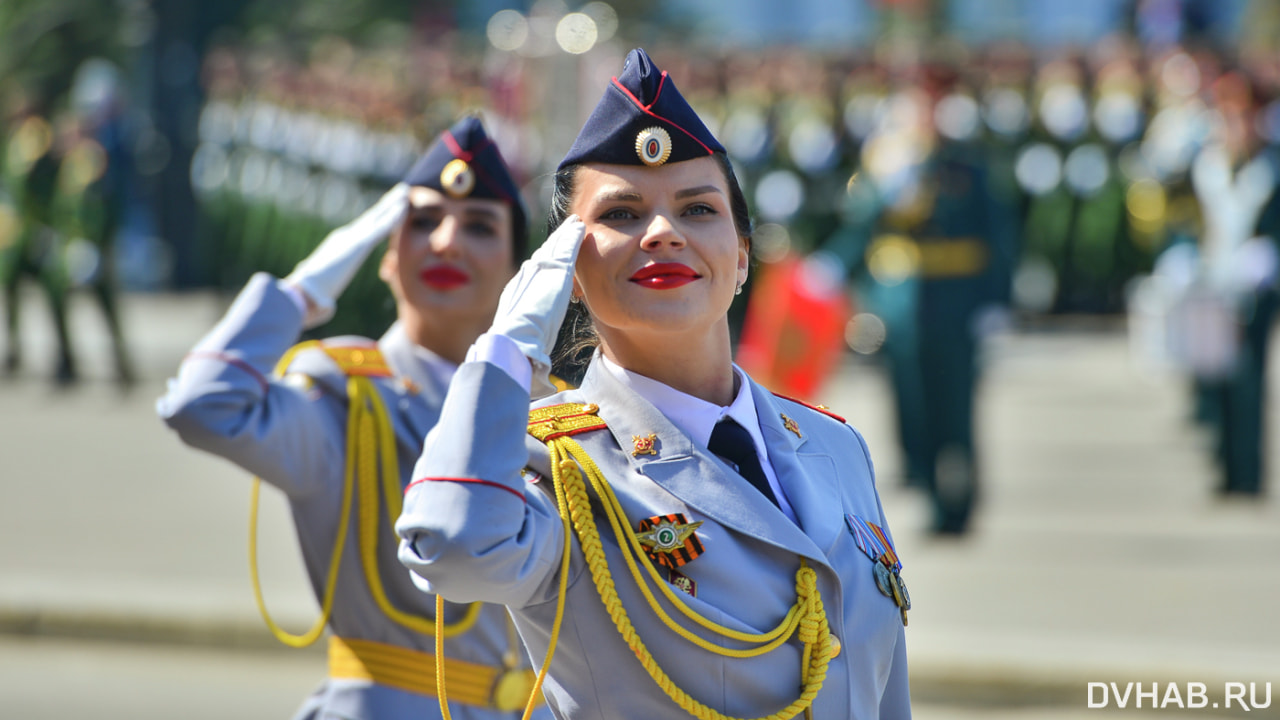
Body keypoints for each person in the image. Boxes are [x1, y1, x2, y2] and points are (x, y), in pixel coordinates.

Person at [396, 49, 911, 719]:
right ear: (567, 271)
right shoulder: (554, 467)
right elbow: (451, 547)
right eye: (620, 215)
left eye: (698, 210)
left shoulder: (833, 446)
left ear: (743, 255)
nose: (663, 232)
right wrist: (505, 350)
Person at [158, 116, 551, 720]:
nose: (446, 242)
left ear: (514, 270)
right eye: (421, 223)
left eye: (479, 227)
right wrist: (300, 293)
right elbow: (204, 405)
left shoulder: (554, 410)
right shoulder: (348, 397)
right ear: (383, 255)